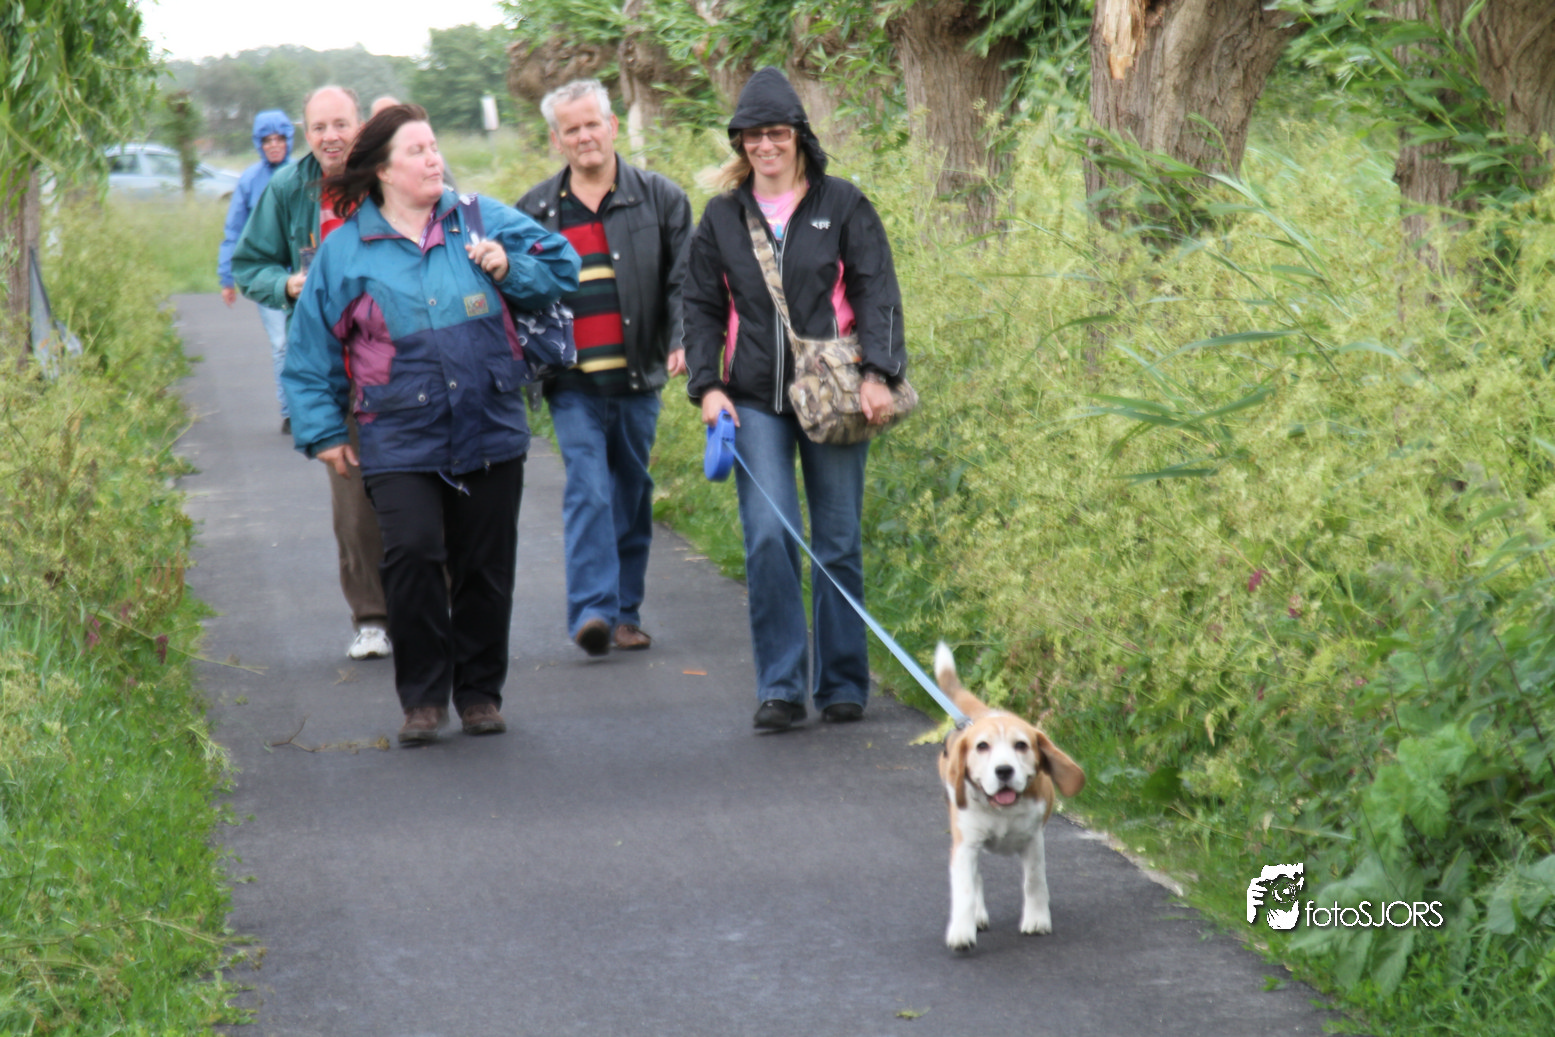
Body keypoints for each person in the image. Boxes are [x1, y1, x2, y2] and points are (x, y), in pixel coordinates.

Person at [282, 103, 580, 743]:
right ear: (384, 170)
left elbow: (563, 267)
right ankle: (422, 699)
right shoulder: (345, 250)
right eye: (416, 151)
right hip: (397, 434)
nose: (433, 159)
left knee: (484, 565)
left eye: (435, 146)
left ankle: (479, 695)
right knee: (413, 554)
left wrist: (511, 267)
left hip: (490, 420)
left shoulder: (478, 215)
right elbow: (309, 350)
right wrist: (324, 432)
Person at [683, 67, 907, 731]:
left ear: (799, 136)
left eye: (776, 132)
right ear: (739, 142)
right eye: (752, 135)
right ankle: (780, 686)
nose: (765, 145)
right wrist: (707, 386)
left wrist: (879, 374)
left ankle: (841, 683)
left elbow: (877, 291)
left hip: (834, 397)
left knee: (836, 541)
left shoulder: (843, 204)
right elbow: (699, 306)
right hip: (752, 400)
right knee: (769, 535)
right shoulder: (722, 217)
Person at [515, 80, 692, 656]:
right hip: (572, 384)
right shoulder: (533, 212)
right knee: (589, 489)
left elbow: (683, 283)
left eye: (593, 124)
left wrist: (682, 340)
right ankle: (593, 611)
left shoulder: (662, 198)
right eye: (572, 129)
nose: (584, 136)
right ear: (556, 139)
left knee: (631, 493)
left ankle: (625, 614)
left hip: (638, 378)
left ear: (612, 126)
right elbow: (515, 294)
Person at [232, 86, 392, 662]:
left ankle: (432, 612)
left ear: (360, 124)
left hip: (403, 365)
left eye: (341, 124)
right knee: (354, 506)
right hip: (333, 369)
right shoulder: (287, 188)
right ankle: (371, 619)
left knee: (424, 497)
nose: (331, 137)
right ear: (306, 133)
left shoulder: (389, 173)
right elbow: (249, 265)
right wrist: (287, 285)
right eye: (319, 127)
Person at [218, 109, 295, 434]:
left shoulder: (302, 174)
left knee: (308, 343)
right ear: (258, 144)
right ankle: (290, 412)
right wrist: (227, 277)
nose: (274, 145)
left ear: (289, 141)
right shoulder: (249, 181)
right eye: (267, 140)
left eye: (279, 139)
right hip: (268, 275)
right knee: (281, 344)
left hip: (302, 273)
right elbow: (234, 229)